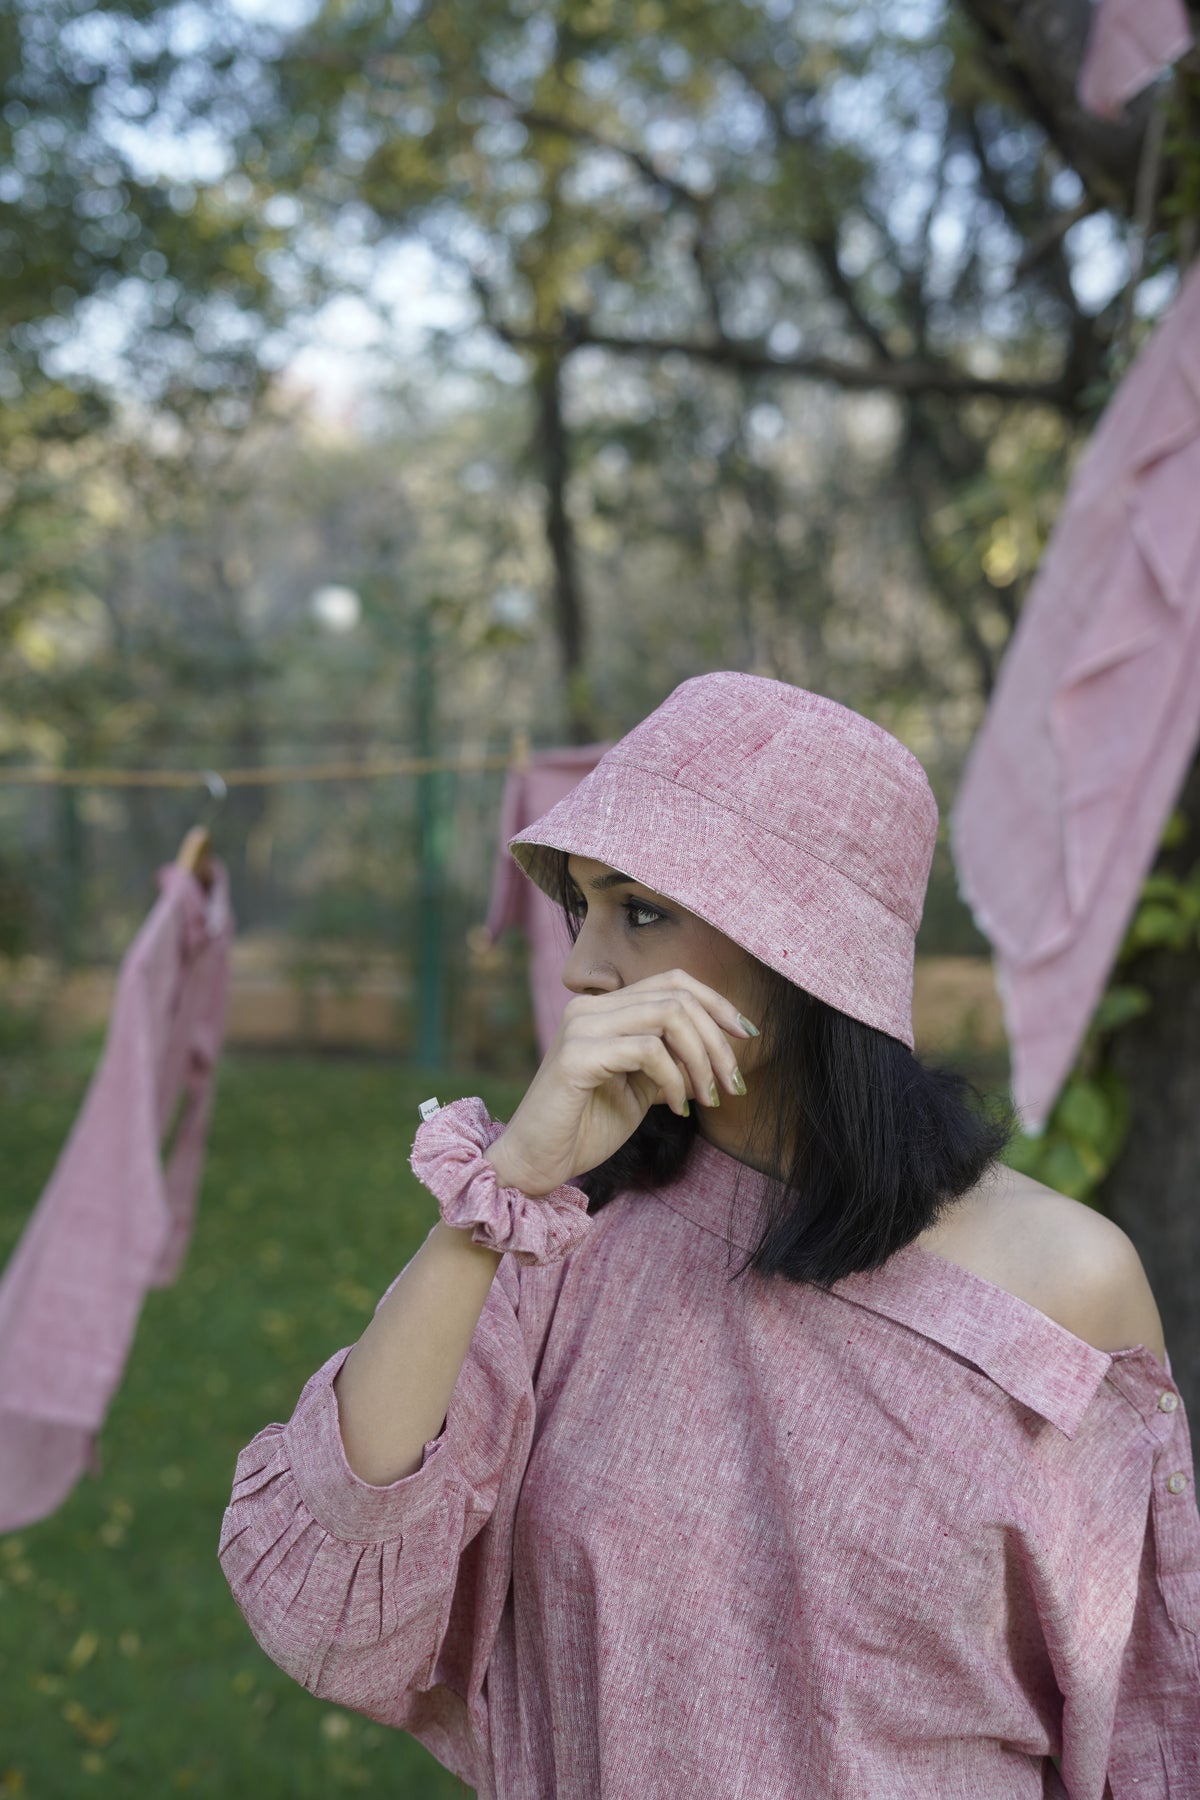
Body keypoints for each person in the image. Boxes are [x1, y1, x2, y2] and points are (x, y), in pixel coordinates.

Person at [218, 673, 1200, 1799]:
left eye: (641, 909)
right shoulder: (562, 1234)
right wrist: (498, 1200)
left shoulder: (1065, 1290)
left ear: (805, 950)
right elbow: (324, 1604)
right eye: (582, 908)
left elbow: (1150, 1738)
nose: (584, 966)